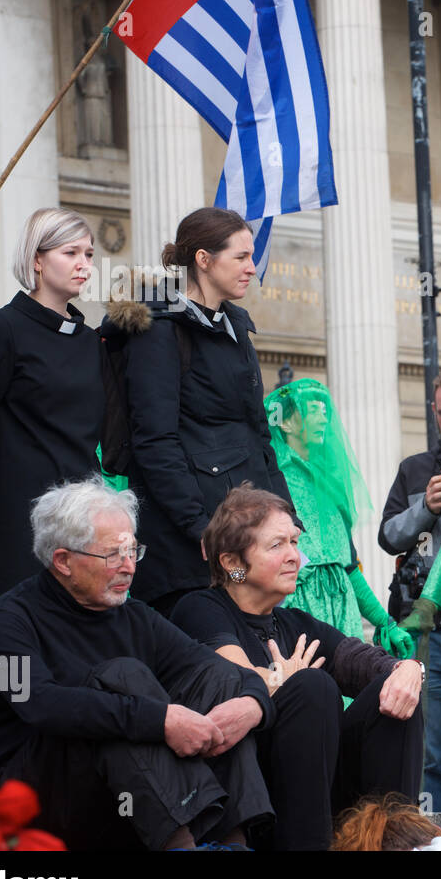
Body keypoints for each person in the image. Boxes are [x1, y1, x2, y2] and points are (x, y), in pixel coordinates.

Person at [0, 477, 273, 850]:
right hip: (19, 798)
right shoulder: (4, 619)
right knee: (121, 681)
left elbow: (222, 672)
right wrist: (161, 720)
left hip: (117, 793)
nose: (129, 567)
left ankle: (233, 843)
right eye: (113, 554)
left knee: (216, 679)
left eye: (133, 551)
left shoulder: (135, 615)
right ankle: (181, 847)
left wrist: (252, 705)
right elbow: (41, 705)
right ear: (63, 561)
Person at [170, 485, 424, 850]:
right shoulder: (201, 609)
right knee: (313, 687)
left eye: (294, 541)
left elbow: (366, 663)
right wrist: (282, 679)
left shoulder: (296, 623)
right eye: (277, 545)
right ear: (232, 563)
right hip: (251, 800)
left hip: (317, 792)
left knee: (396, 696)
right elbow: (239, 679)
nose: (295, 556)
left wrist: (409, 669)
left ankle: (391, 841)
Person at [103, 207, 292, 616]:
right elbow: (154, 441)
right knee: (205, 648)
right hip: (189, 549)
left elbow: (259, 434)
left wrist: (284, 515)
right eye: (240, 257)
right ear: (203, 260)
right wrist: (199, 527)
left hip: (242, 541)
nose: (251, 267)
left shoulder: (237, 326)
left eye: (251, 256)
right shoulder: (158, 329)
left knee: (246, 627)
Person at [0, 208, 103, 621]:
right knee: (14, 666)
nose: (84, 264)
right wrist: (2, 505)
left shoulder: (91, 342)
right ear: (37, 259)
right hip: (15, 527)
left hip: (81, 527)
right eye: (70, 251)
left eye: (90, 254)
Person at [265, 378, 411, 655]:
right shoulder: (272, 478)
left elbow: (347, 567)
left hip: (344, 619)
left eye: (325, 410)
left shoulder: (330, 482)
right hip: (294, 616)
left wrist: (385, 622)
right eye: (313, 409)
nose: (324, 417)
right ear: (285, 422)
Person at [378, 367, 441, 810]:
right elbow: (388, 538)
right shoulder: (414, 471)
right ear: (434, 412)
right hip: (424, 631)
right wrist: (425, 510)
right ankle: (434, 832)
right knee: (429, 749)